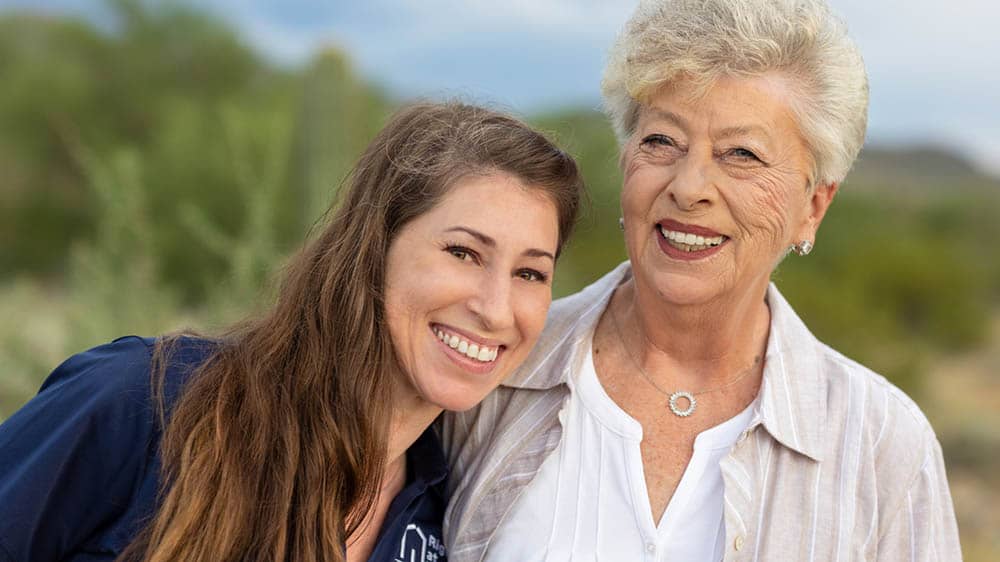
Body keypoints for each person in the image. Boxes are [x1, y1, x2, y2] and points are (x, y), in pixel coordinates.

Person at [439, 1, 962, 560]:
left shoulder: (883, 445)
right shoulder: (487, 373)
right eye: (662, 141)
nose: (689, 187)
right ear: (625, 162)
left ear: (812, 207)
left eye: (741, 153)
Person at [0, 102, 583, 562]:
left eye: (531, 272)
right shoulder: (147, 402)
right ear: (374, 249)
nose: (496, 308)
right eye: (463, 252)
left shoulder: (440, 514)